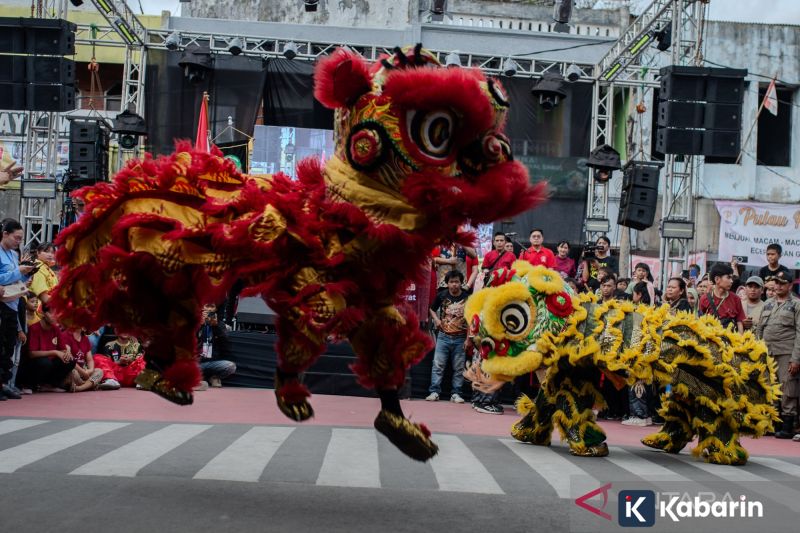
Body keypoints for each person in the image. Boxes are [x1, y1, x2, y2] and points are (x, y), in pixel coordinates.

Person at [756, 271, 800, 439]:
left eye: (782, 283)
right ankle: (772, 424)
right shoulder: (768, 303)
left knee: (787, 388)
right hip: (767, 352)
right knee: (769, 387)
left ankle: (788, 426)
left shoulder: (796, 304)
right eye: (776, 282)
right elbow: (760, 328)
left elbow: (799, 332)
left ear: (790, 285)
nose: (778, 286)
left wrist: (796, 358)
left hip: (786, 352)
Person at [0, 219, 35, 400]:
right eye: (16, 237)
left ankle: (5, 383)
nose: (18, 242)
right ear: (5, 234)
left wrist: (26, 273)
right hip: (2, 302)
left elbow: (15, 277)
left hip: (14, 302)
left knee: (9, 345)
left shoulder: (14, 255)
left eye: (21, 239)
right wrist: (17, 271)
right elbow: (2, 277)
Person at [426, 270, 469, 404]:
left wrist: (468, 339)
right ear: (447, 283)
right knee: (438, 365)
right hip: (443, 337)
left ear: (461, 283)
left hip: (460, 337)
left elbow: (472, 320)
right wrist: (436, 320)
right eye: (451, 282)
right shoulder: (441, 295)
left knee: (459, 368)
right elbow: (432, 309)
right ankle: (434, 392)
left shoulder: (468, 298)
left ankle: (456, 393)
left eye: (457, 282)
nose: (454, 285)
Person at [17, 303, 76, 392]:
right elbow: (32, 354)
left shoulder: (56, 328)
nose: (55, 316)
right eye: (51, 313)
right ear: (43, 313)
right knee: (45, 362)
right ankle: (28, 385)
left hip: (49, 363)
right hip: (32, 364)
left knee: (70, 360)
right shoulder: (34, 328)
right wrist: (55, 352)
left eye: (57, 313)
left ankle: (49, 385)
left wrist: (67, 352)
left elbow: (62, 348)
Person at [197, 303, 237, 388]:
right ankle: (198, 379)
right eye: (207, 306)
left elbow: (227, 347)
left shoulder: (220, 324)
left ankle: (213, 377)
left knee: (231, 366)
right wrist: (199, 325)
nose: (210, 310)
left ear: (215, 309)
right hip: (197, 362)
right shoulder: (195, 322)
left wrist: (216, 327)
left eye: (212, 307)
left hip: (212, 362)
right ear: (202, 308)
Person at [699, 263, 745, 333]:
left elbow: (739, 322)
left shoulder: (736, 299)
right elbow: (700, 321)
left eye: (731, 278)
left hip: (730, 340)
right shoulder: (704, 298)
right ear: (717, 279)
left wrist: (740, 341)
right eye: (728, 277)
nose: (731, 281)